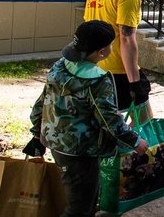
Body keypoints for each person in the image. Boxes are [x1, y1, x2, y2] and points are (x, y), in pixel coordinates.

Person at [24, 20, 148, 217]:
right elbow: (109, 120)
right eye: (110, 45)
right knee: (78, 209)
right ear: (102, 52)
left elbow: (41, 103)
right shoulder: (98, 81)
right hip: (81, 152)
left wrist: (36, 133)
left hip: (55, 142)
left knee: (86, 199)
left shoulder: (59, 66)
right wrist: (135, 141)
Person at [84, 0, 156, 111]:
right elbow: (126, 38)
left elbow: (87, 27)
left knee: (111, 118)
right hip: (118, 69)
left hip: (94, 65)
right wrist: (134, 82)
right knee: (143, 118)